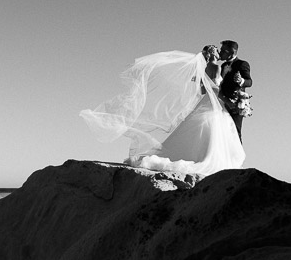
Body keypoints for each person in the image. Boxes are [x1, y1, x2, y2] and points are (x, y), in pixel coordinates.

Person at [80, 45, 245, 176]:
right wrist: (228, 97)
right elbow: (215, 88)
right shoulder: (216, 69)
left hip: (205, 102)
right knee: (215, 131)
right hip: (215, 102)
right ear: (213, 55)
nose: (218, 54)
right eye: (217, 51)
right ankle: (210, 159)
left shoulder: (199, 69)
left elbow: (201, 90)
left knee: (201, 130)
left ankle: (199, 156)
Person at [218, 40, 252, 141]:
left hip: (235, 104)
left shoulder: (242, 64)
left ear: (232, 53)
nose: (220, 53)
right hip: (221, 102)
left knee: (235, 132)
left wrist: (241, 80)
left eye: (223, 51)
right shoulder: (222, 66)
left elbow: (249, 82)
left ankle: (237, 156)